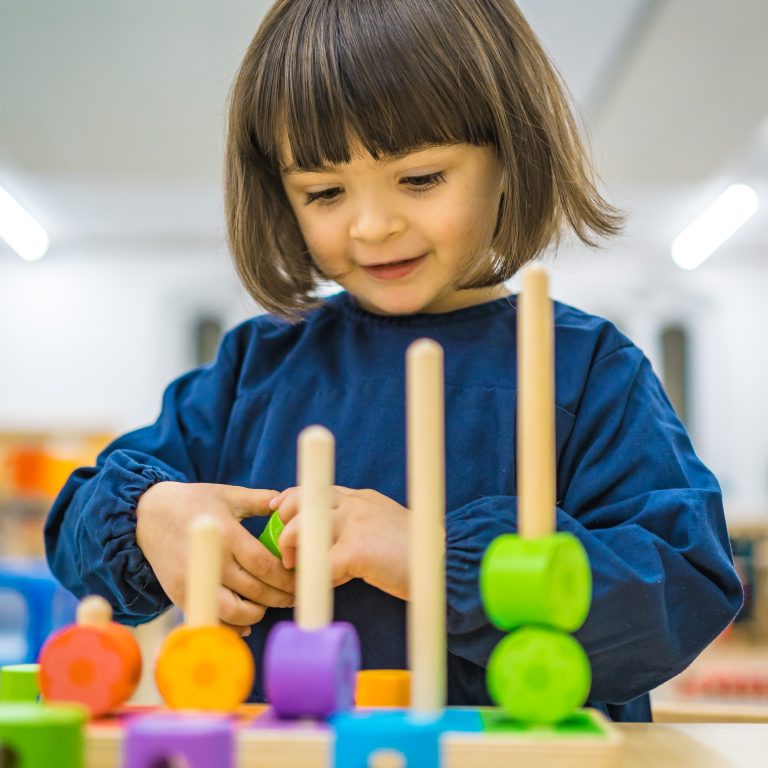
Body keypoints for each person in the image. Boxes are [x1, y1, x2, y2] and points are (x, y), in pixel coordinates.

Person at [44, 0, 742, 722]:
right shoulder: (258, 365)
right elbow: (75, 530)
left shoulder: (588, 370)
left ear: (509, 155)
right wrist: (155, 516)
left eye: (419, 179)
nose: (373, 225)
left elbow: (682, 593)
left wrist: (442, 561)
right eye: (324, 192)